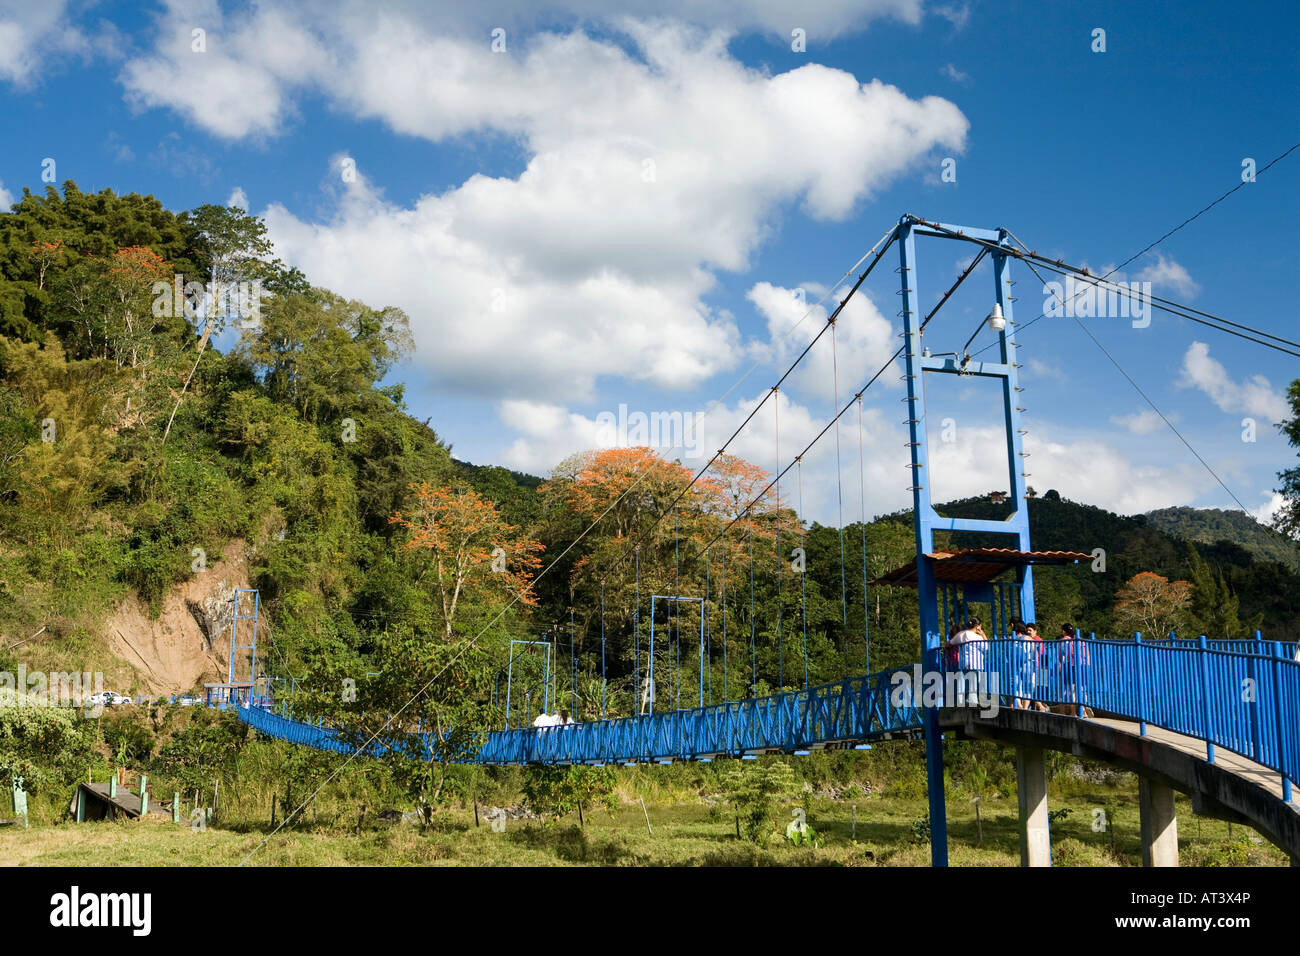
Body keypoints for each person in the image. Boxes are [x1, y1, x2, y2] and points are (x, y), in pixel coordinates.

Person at [946, 618, 986, 705]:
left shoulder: (961, 634)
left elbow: (950, 643)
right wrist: (983, 634)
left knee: (963, 683)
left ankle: (960, 702)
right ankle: (973, 702)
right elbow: (986, 647)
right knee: (974, 684)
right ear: (977, 626)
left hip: (964, 663)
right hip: (976, 663)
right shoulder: (978, 637)